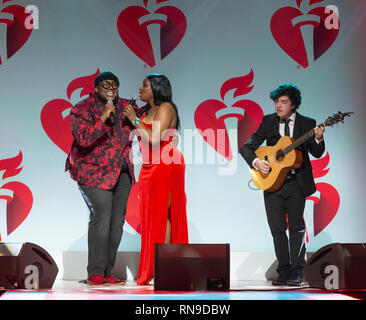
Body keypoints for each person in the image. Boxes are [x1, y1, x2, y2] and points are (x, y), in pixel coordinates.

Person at [240, 83, 325, 286]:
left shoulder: (307, 124)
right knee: (277, 228)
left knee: (296, 228)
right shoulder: (268, 121)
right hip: (272, 184)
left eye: (283, 102)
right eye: (277, 101)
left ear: (293, 105)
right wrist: (257, 162)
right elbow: (247, 147)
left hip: (296, 183)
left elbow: (317, 153)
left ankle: (298, 271)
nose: (278, 105)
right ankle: (284, 270)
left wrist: (319, 138)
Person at [65, 71, 142, 286]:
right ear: (96, 88)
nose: (111, 88)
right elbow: (83, 138)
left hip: (122, 172)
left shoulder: (126, 105)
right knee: (102, 217)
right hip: (92, 172)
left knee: (117, 223)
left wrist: (134, 115)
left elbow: (146, 120)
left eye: (115, 85)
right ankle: (95, 273)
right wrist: (103, 116)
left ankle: (108, 271)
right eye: (106, 84)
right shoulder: (82, 108)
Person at [123, 74, 189, 285]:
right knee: (152, 218)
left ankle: (165, 267)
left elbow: (154, 139)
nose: (140, 88)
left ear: (156, 89)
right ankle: (159, 267)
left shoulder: (166, 108)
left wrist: (133, 118)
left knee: (165, 215)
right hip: (149, 166)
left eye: (145, 85)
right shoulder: (147, 110)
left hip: (165, 163)